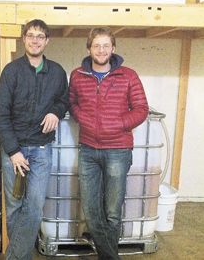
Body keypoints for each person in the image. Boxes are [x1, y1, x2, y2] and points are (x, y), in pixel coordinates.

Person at [69, 27, 149, 260]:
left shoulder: (128, 75)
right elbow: (71, 102)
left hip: (118, 150)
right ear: (89, 49)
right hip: (88, 150)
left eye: (106, 45)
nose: (101, 50)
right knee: (91, 210)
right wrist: (82, 118)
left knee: (112, 212)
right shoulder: (77, 75)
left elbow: (141, 109)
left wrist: (118, 124)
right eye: (97, 45)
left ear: (113, 48)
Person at [0, 19, 69, 260]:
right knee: (14, 206)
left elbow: (64, 100)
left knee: (34, 206)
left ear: (47, 41)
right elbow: (0, 113)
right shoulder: (12, 71)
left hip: (41, 149)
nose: (35, 40)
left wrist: (56, 111)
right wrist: (14, 151)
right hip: (13, 152)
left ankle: (13, 257)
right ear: (24, 39)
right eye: (31, 35)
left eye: (40, 36)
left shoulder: (56, 72)